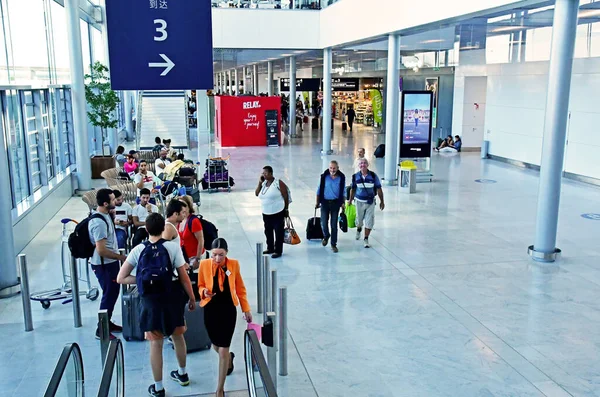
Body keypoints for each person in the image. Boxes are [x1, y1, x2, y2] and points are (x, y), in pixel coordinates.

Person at [116, 213, 196, 397]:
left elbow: (121, 278)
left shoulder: (137, 250)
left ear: (146, 229)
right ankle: (182, 374)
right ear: (163, 229)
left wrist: (143, 280)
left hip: (151, 302)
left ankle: (158, 387)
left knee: (155, 344)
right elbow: (183, 276)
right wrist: (191, 297)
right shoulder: (172, 248)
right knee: (178, 336)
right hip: (172, 297)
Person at [198, 238, 252, 397]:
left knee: (222, 348)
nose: (217, 259)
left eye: (221, 255)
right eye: (214, 255)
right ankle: (229, 358)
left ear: (226, 253)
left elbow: (240, 288)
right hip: (210, 309)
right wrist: (203, 292)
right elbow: (200, 285)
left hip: (228, 310)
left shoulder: (233, 265)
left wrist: (246, 309)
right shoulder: (204, 265)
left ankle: (220, 389)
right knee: (216, 345)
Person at [88, 188, 128, 339]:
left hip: (110, 263)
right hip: (104, 264)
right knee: (109, 294)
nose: (115, 201)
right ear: (105, 203)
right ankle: (101, 329)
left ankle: (107, 322)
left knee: (112, 293)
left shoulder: (106, 216)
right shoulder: (98, 223)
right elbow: (101, 250)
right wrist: (121, 258)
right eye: (112, 200)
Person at [348, 158, 385, 248]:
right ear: (358, 165)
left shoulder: (373, 176)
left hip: (370, 202)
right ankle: (359, 228)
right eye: (361, 163)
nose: (363, 165)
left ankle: (366, 238)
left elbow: (379, 189)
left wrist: (382, 201)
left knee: (369, 221)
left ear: (367, 165)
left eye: (364, 163)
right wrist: (350, 200)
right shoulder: (355, 176)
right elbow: (352, 189)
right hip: (359, 202)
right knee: (359, 220)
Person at [255, 166, 289, 259]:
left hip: (278, 212)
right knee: (268, 231)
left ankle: (278, 251)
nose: (263, 175)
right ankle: (270, 248)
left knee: (278, 232)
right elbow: (256, 193)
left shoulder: (278, 183)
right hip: (266, 213)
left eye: (265, 173)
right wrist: (259, 183)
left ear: (271, 173)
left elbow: (285, 196)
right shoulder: (264, 183)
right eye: (263, 173)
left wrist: (286, 209)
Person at [315, 161, 346, 253]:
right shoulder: (324, 177)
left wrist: (343, 203)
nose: (332, 170)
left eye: (334, 168)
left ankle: (333, 244)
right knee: (323, 223)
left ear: (338, 168)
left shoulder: (341, 178)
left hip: (335, 203)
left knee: (334, 225)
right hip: (324, 202)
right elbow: (319, 190)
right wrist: (317, 202)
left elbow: (343, 191)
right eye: (331, 168)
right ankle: (326, 235)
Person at [178, 195, 204, 267]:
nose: (182, 208)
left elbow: (201, 241)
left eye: (184, 206)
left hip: (195, 257)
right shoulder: (180, 220)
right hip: (185, 257)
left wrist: (197, 259)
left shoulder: (194, 221)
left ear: (189, 206)